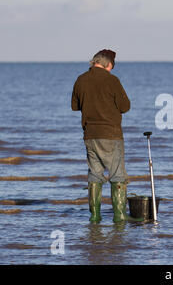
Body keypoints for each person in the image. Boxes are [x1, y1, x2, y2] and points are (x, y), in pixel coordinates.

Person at [71, 49, 133, 223]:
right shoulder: (112, 80)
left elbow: (75, 106)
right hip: (111, 134)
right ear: (109, 64)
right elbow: (125, 107)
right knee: (117, 175)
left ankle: (95, 216)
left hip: (90, 134)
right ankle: (120, 216)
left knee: (94, 174)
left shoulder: (81, 80)